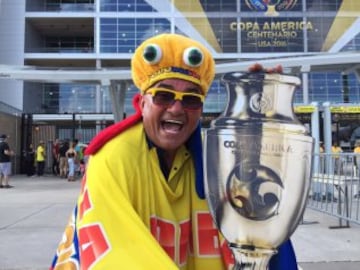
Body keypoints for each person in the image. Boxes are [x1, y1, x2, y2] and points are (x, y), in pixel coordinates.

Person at [51, 34, 297, 269]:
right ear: (142, 102)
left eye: (191, 99)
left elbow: (259, 218)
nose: (177, 108)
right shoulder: (112, 157)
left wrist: (264, 129)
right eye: (164, 96)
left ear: (200, 110)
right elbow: (114, 257)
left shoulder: (215, 158)